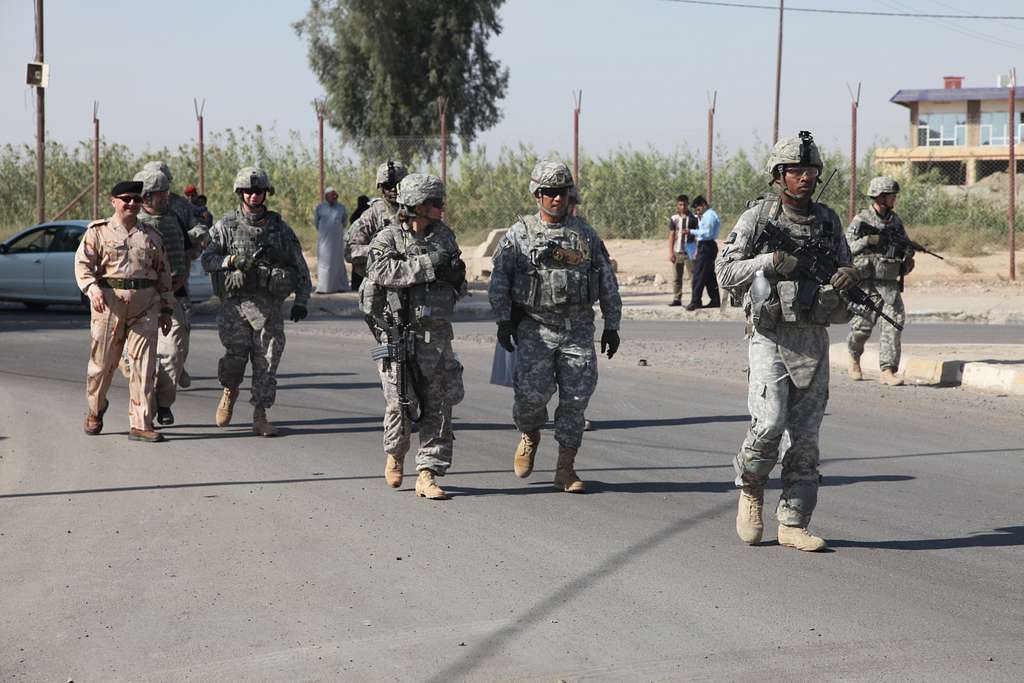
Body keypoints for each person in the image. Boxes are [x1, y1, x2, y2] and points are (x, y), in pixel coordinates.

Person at [715, 131, 859, 552]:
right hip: (769, 335)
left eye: (811, 170)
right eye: (796, 171)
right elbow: (725, 273)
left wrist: (850, 276)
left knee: (807, 437)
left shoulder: (829, 220)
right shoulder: (759, 219)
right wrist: (771, 261)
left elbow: (844, 267)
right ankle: (751, 488)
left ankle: (794, 521)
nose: (806, 178)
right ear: (779, 176)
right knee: (769, 423)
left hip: (812, 337)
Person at [488, 160, 622, 493]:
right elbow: (500, 278)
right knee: (531, 399)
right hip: (535, 327)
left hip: (576, 329)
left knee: (576, 400)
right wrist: (504, 319)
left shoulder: (585, 235)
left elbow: (606, 280)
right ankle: (530, 433)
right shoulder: (520, 234)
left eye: (561, 192)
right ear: (537, 194)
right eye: (549, 193)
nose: (556, 199)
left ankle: (565, 468)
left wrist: (612, 324)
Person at [363, 174, 466, 500]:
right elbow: (382, 273)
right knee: (399, 405)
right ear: (416, 206)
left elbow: (457, 284)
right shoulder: (387, 239)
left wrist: (454, 274)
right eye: (434, 203)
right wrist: (429, 265)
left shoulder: (445, 237)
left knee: (440, 406)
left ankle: (428, 474)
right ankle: (395, 453)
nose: (440, 208)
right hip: (399, 337)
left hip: (435, 338)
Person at [201, 166, 312, 436]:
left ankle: (260, 414)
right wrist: (231, 262)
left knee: (267, 364)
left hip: (269, 306)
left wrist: (302, 300)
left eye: (258, 191)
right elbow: (207, 260)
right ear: (240, 193)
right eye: (248, 191)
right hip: (235, 307)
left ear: (266, 194)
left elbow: (299, 266)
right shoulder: (225, 226)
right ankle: (230, 389)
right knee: (235, 360)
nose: (253, 196)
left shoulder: (279, 229)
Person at [74, 180, 174, 443]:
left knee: (144, 365)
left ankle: (140, 423)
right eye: (126, 199)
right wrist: (92, 289)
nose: (131, 203)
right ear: (114, 201)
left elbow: (163, 274)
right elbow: (83, 265)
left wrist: (166, 308)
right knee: (102, 365)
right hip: (109, 305)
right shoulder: (98, 232)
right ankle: (95, 408)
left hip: (146, 306)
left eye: (136, 199)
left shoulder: (151, 236)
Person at [141, 161, 208, 389]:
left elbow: (195, 227)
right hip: (145, 290)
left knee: (179, 338)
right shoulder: (134, 211)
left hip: (177, 283)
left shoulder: (178, 206)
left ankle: (177, 367)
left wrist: (198, 238)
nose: (163, 194)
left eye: (165, 185)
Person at [846, 176, 915, 386]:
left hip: (888, 282)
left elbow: (905, 245)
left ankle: (888, 370)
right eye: (891, 196)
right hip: (866, 282)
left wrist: (906, 257)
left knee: (894, 324)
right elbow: (847, 246)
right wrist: (868, 240)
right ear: (880, 197)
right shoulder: (862, 219)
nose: (894, 199)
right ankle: (854, 356)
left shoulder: (895, 221)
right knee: (862, 328)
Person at [133, 169, 189, 427]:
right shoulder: (133, 224)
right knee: (141, 360)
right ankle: (144, 414)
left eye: (166, 193)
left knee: (175, 353)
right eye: (160, 194)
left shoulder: (175, 218)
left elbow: (189, 249)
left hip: (173, 297)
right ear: (146, 196)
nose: (166, 198)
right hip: (142, 300)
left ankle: (164, 402)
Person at [346, 162, 408, 284]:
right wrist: (384, 251)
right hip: (382, 282)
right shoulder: (373, 214)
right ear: (381, 187)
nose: (393, 189)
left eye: (397, 184)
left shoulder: (419, 210)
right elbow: (351, 251)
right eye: (388, 185)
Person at [687, 195, 721, 310]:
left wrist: (691, 231)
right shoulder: (706, 215)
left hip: (707, 246)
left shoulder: (709, 216)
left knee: (698, 274)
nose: (697, 212)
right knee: (708, 275)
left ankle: (695, 301)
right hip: (705, 246)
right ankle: (715, 299)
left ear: (704, 205)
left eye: (698, 209)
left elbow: (707, 233)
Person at [314, 187, 349, 293]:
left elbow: (344, 221)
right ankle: (323, 287)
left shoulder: (341, 208)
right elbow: (316, 223)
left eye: (335, 195)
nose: (334, 197)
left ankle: (340, 286)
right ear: (326, 196)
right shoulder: (320, 208)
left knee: (338, 262)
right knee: (324, 262)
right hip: (324, 241)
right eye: (331, 195)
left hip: (337, 240)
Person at [667, 194, 697, 306]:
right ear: (677, 205)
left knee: (693, 276)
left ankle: (695, 298)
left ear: (687, 204)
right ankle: (677, 298)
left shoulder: (693, 218)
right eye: (680, 204)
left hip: (690, 251)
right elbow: (671, 235)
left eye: (684, 204)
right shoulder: (674, 219)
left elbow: (697, 236)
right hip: (677, 250)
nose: (683, 206)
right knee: (676, 277)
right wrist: (671, 252)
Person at [349, 194, 371, 291]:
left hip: (357, 244)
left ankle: (355, 284)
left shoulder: (357, 213)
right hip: (365, 243)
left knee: (357, 264)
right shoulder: (367, 212)